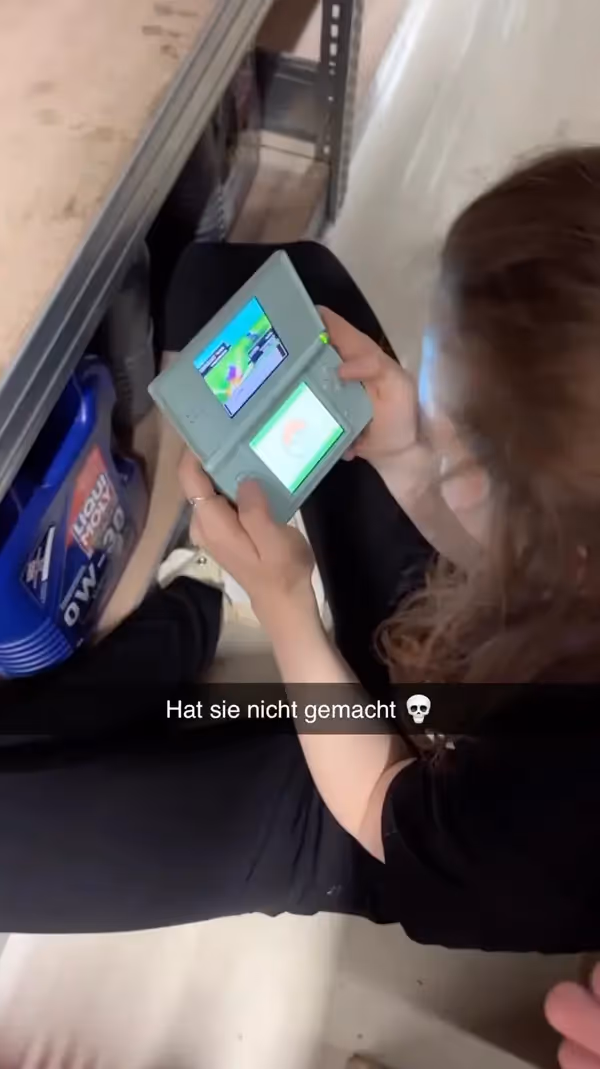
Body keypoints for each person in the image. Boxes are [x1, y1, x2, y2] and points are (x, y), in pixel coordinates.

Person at [1, 146, 599, 949]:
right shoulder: (563, 543)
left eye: (446, 406)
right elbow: (505, 553)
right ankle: (190, 617)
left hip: (400, 810)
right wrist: (409, 457)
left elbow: (377, 803)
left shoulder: (555, 822)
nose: (422, 399)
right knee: (270, 286)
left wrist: (285, 603)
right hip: (494, 647)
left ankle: (189, 621)